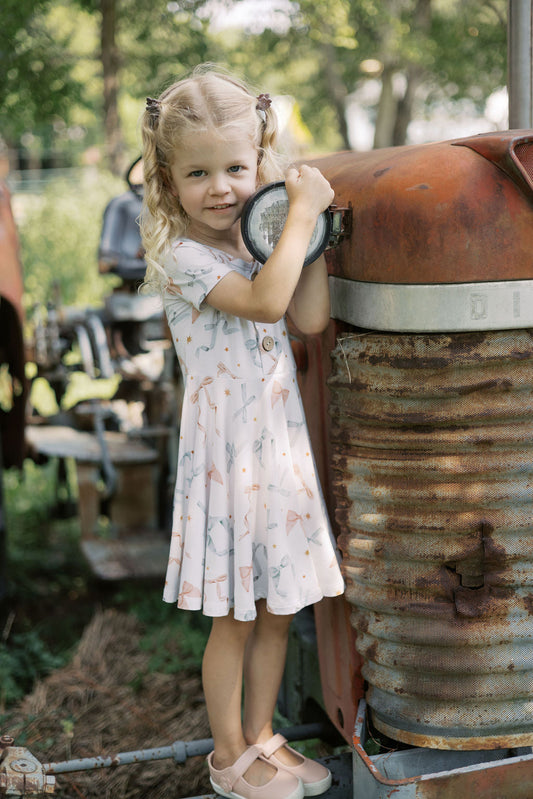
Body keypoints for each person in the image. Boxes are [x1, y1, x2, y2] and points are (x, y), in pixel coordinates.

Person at [140, 64, 344, 799]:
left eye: (236, 166)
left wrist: (310, 226)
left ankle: (262, 735)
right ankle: (228, 756)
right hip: (227, 456)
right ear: (167, 181)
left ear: (260, 159)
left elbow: (308, 317)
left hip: (276, 451)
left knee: (278, 604)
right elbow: (264, 305)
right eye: (198, 173)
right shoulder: (184, 258)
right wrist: (293, 222)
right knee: (233, 615)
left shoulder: (258, 238)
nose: (221, 187)